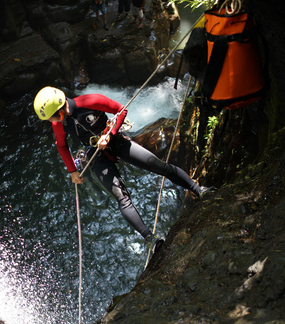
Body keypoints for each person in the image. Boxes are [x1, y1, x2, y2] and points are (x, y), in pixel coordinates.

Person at [33, 86, 214, 253]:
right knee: (121, 196)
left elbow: (121, 109)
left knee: (159, 166)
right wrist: (72, 171)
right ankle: (150, 240)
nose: (50, 121)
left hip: (116, 141)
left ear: (60, 111)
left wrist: (109, 135)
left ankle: (199, 190)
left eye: (51, 117)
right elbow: (61, 146)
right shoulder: (58, 125)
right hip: (95, 155)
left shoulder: (89, 101)